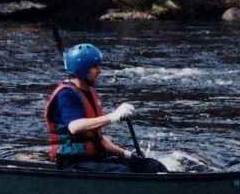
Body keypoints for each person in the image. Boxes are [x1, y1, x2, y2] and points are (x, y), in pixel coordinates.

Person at [44, 43, 166, 173]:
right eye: (94, 67)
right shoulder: (66, 94)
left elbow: (98, 139)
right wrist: (114, 116)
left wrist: (128, 155)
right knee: (121, 171)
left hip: (94, 159)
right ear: (82, 69)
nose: (99, 71)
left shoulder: (89, 92)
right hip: (72, 162)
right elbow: (75, 126)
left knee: (152, 166)